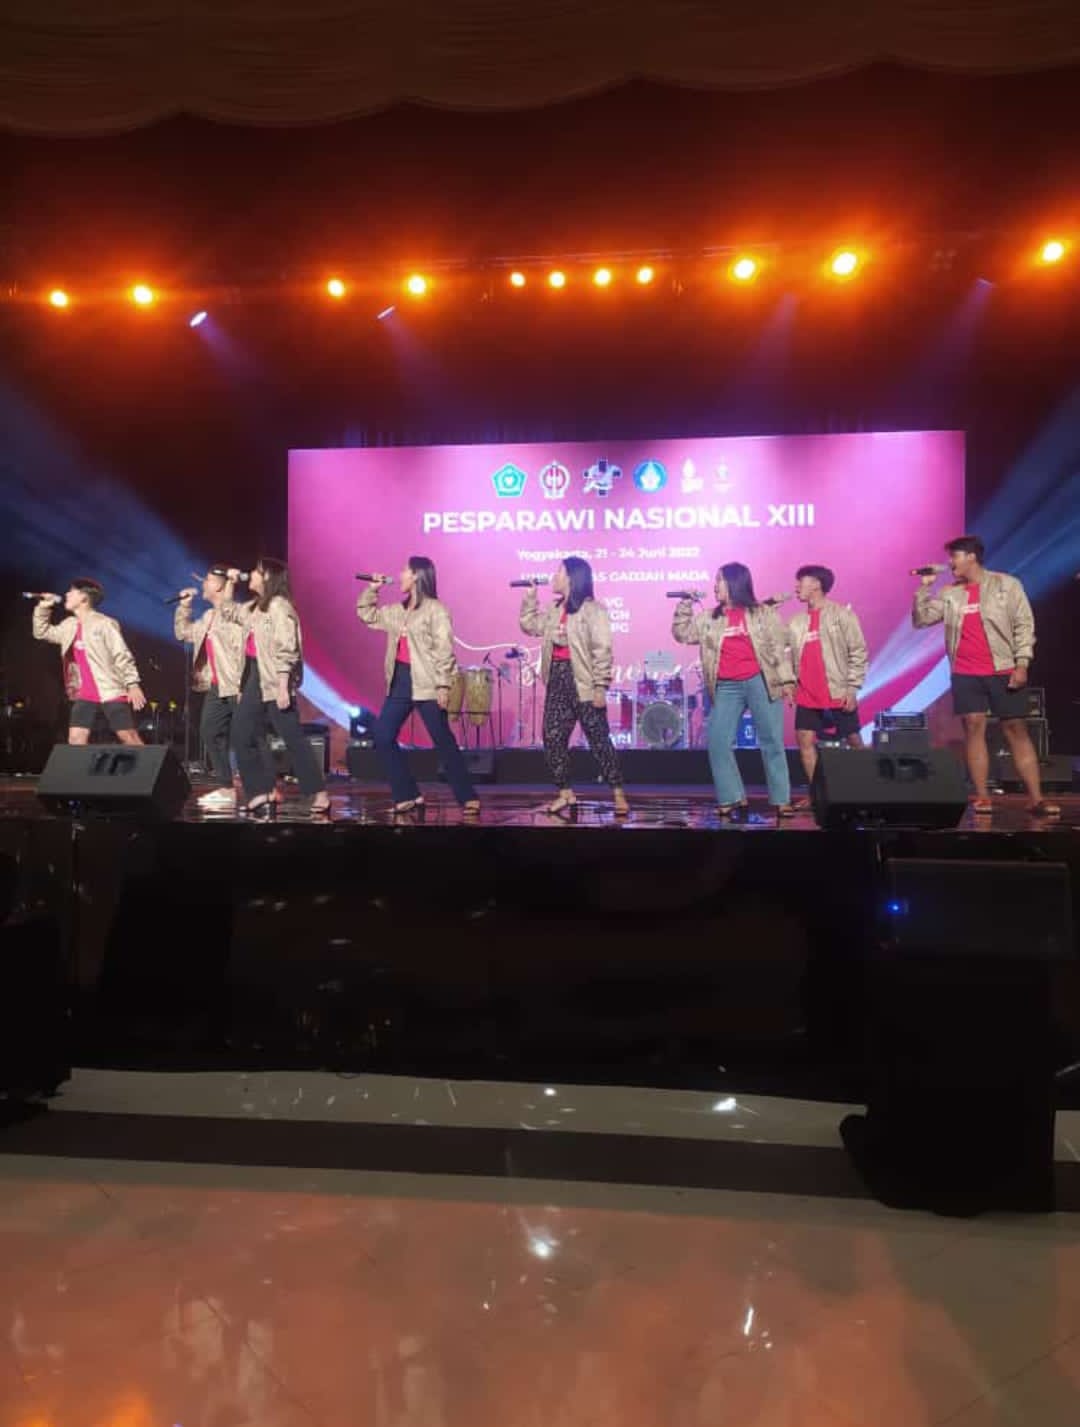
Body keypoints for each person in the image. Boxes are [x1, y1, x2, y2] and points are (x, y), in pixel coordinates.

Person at [912, 534, 1060, 818]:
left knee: (1015, 728)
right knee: (973, 726)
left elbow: (1024, 624)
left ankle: (1036, 798)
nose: (950, 563)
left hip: (1002, 668)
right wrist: (924, 589)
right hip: (965, 671)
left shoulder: (1006, 584)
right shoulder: (950, 593)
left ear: (971, 557)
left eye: (954, 556)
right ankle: (982, 796)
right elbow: (921, 620)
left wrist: (1022, 663)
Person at [357, 557, 480, 816]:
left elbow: (444, 649)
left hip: (428, 682)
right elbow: (367, 615)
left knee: (443, 741)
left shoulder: (436, 610)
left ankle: (467, 796)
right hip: (400, 681)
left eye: (404, 571)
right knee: (382, 735)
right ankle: (407, 794)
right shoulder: (397, 610)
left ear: (416, 576)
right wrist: (373, 589)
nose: (400, 574)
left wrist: (443, 685)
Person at [673, 562, 795, 818]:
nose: (714, 586)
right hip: (727, 685)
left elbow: (777, 649)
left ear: (734, 583)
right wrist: (685, 604)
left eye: (719, 580)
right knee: (718, 741)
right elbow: (682, 634)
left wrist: (787, 681)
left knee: (772, 740)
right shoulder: (710, 618)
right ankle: (732, 797)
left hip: (760, 680)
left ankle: (781, 799)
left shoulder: (762, 613)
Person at [217, 558, 330, 819]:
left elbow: (287, 647)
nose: (251, 575)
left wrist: (282, 685)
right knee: (241, 733)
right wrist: (230, 584)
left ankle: (319, 793)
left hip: (275, 678)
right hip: (255, 676)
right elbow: (229, 612)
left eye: (256, 572)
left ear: (267, 577)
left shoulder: (280, 607)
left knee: (292, 737)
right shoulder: (255, 607)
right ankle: (261, 791)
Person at [520, 557, 629, 816]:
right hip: (558, 678)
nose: (554, 577)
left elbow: (602, 649)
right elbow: (529, 625)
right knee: (552, 736)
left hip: (583, 681)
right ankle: (565, 793)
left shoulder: (593, 611)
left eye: (558, 571)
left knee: (598, 738)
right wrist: (531, 597)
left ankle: (618, 792)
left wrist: (600, 686)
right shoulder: (554, 609)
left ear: (571, 577)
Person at [32, 578, 147, 745]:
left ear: (84, 598)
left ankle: (149, 762)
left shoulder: (104, 623)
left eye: (71, 591)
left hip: (110, 689)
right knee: (76, 739)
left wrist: (132, 684)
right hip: (84, 693)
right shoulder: (69, 625)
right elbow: (42, 633)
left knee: (128, 736)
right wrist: (43, 607)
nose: (66, 594)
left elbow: (121, 654)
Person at [788, 564, 868, 796]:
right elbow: (784, 655)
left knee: (853, 738)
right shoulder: (796, 622)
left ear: (816, 584)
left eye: (801, 581)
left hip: (836, 689)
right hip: (806, 691)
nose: (796, 587)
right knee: (804, 739)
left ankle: (868, 785)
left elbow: (858, 651)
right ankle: (818, 794)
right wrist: (788, 683)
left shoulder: (842, 615)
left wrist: (852, 688)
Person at [175, 566, 247, 811]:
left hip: (236, 684)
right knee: (209, 731)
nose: (202, 584)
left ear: (219, 585)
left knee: (249, 737)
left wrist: (243, 684)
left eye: (206, 580)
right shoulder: (208, 616)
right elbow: (183, 634)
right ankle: (227, 788)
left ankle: (266, 788)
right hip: (217, 686)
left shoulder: (235, 614)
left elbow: (242, 652)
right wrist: (184, 607)